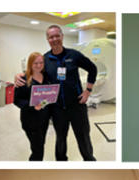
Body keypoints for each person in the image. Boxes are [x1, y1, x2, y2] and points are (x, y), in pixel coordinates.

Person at [15, 25, 98, 161]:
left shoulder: (74, 55)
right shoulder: (45, 59)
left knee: (83, 136)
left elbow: (92, 68)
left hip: (77, 105)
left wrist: (88, 91)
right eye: (51, 37)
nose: (54, 39)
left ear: (62, 36)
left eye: (57, 36)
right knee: (60, 139)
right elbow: (34, 71)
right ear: (48, 39)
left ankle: (89, 160)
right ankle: (61, 161)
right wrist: (19, 76)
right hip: (58, 109)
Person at [13, 52, 52, 161]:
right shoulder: (23, 80)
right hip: (30, 121)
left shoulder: (47, 77)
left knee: (40, 145)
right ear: (30, 64)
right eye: (35, 63)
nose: (39, 65)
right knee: (38, 150)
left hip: (44, 119)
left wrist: (42, 104)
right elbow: (16, 100)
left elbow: (47, 97)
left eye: (41, 63)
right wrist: (32, 106)